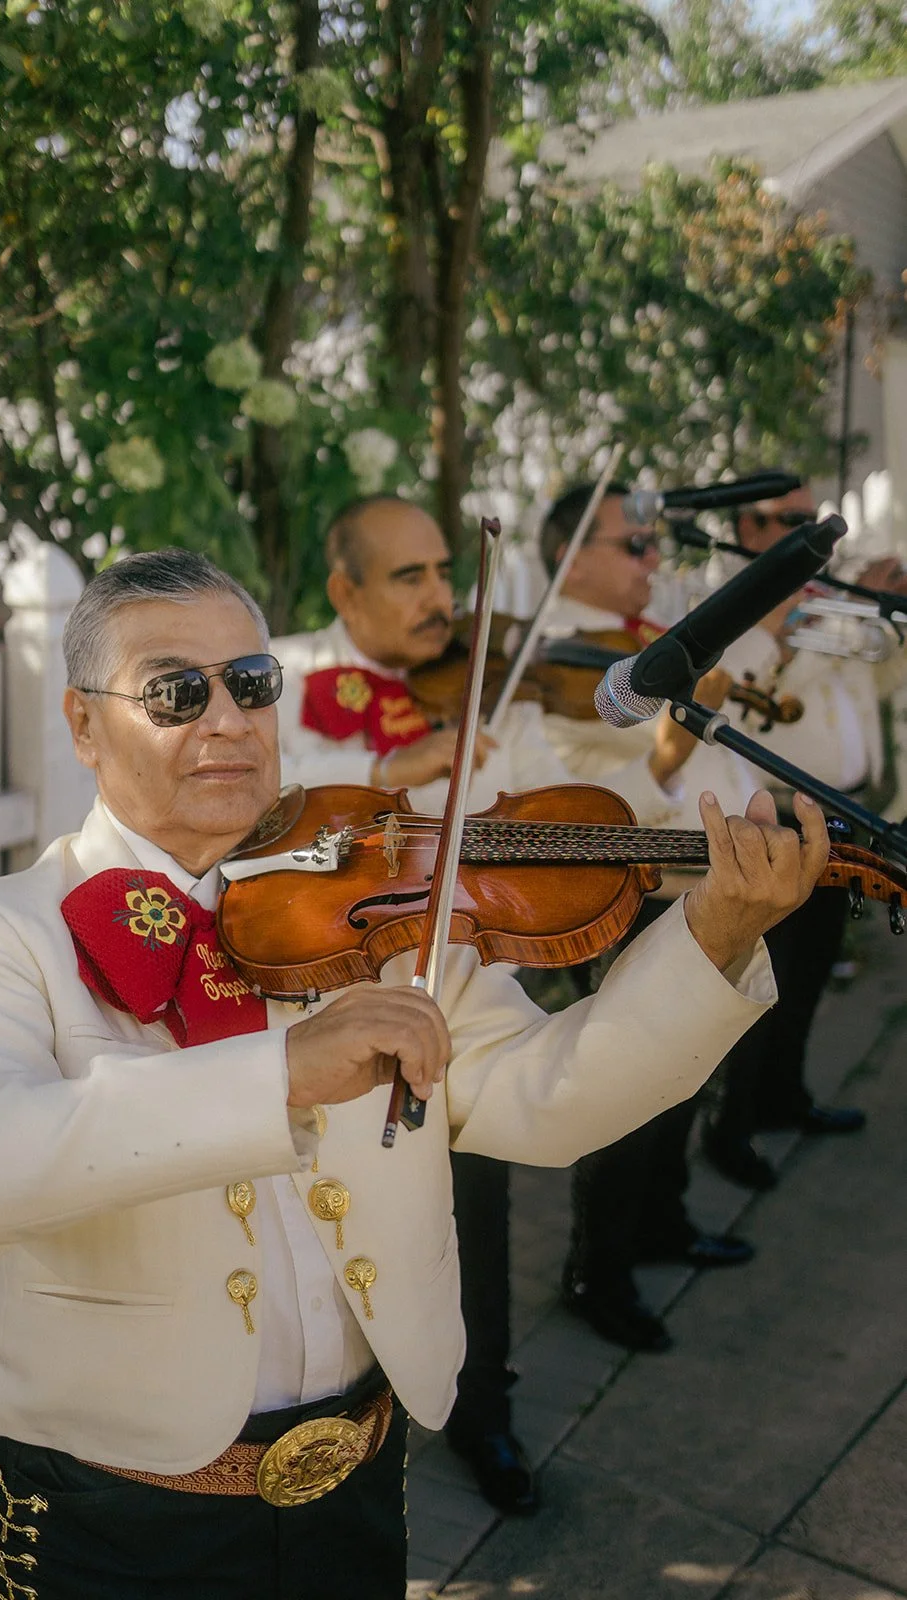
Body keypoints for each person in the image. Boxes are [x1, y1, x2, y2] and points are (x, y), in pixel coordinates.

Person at [0, 548, 827, 1600]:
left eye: (249, 682)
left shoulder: (374, 899)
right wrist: (276, 1070)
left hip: (357, 1486)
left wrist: (713, 931)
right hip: (112, 1522)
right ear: (82, 724)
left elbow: (547, 1096)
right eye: (173, 690)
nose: (227, 718)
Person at [273, 494, 697, 1505]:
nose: (437, 599)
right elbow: (262, 800)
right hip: (325, 1009)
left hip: (466, 990)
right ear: (344, 589)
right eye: (406, 576)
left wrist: (671, 827)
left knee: (481, 1209)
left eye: (441, 572)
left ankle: (484, 1413)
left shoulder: (478, 688)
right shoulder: (284, 681)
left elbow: (547, 799)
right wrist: (382, 769)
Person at [537, 484, 763, 1353]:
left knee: (683, 1076)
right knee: (626, 1095)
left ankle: (661, 1222)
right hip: (627, 893)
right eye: (631, 546)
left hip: (697, 887)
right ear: (571, 557)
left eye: (647, 545)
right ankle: (598, 1271)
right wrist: (669, 757)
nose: (650, 561)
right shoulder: (554, 662)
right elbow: (574, 805)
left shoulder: (629, 645)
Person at [699, 481, 907, 1190]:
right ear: (747, 526)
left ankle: (784, 1096)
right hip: (777, 812)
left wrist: (879, 616)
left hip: (840, 808)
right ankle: (731, 1130)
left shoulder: (817, 601)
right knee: (766, 977)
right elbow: (762, 709)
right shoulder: (733, 604)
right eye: (791, 521)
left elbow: (868, 689)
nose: (809, 533)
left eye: (811, 520)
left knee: (811, 967)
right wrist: (811, 628)